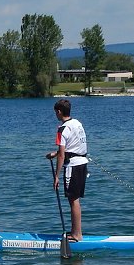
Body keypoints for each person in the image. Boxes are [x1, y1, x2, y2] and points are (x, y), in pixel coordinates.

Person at [46, 99, 88, 241]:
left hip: (72, 166)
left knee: (73, 200)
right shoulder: (77, 123)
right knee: (75, 199)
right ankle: (76, 231)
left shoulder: (62, 129)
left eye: (55, 112)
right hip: (82, 163)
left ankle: (77, 235)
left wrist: (56, 176)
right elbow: (73, 146)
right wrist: (55, 153)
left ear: (59, 111)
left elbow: (62, 155)